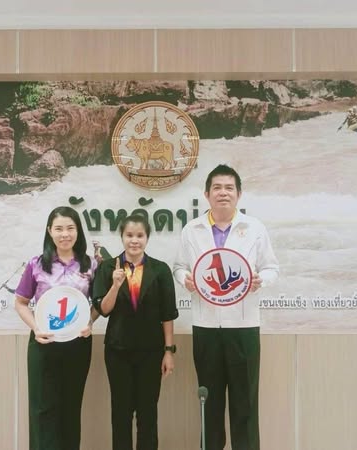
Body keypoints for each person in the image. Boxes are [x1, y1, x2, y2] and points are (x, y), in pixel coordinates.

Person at [173, 164, 279, 450]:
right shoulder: (192, 229)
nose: (223, 193)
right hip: (206, 327)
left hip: (243, 327)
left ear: (239, 194)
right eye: (217, 188)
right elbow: (179, 267)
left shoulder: (254, 228)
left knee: (245, 404)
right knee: (209, 402)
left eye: (229, 188)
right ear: (207, 194)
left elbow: (272, 268)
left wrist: (260, 280)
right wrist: (185, 279)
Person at [14, 206, 99, 450]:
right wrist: (36, 327)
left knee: (70, 408)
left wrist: (89, 322)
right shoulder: (36, 264)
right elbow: (20, 303)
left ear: (78, 231)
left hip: (77, 345)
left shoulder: (90, 265)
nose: (65, 234)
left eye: (70, 228)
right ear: (49, 231)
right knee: (42, 409)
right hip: (44, 343)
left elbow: (98, 304)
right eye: (59, 229)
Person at [92, 214, 179, 450]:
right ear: (121, 236)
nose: (134, 240)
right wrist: (115, 285)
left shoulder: (160, 270)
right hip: (117, 351)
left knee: (147, 413)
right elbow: (103, 309)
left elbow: (167, 314)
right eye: (129, 235)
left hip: (151, 352)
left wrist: (168, 351)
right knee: (120, 413)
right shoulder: (108, 267)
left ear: (147, 238)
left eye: (140, 235)